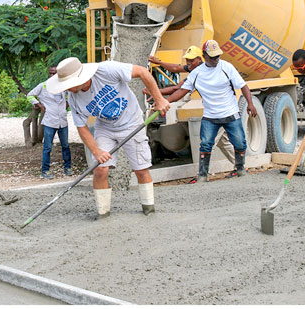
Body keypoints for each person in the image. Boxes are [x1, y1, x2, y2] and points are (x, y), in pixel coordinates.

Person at [46, 56, 169, 218]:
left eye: (69, 85)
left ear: (81, 78)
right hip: (105, 128)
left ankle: (149, 209)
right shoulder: (74, 99)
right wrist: (96, 151)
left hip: (132, 121)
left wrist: (159, 100)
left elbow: (142, 72)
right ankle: (103, 213)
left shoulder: (106, 70)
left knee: (140, 169)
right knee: (100, 170)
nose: (67, 89)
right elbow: (82, 127)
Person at [174, 40, 255, 182]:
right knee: (206, 144)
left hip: (230, 113)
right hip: (210, 116)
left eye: (217, 56)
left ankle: (240, 169)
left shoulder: (227, 67)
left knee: (240, 143)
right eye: (212, 57)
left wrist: (250, 103)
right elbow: (182, 91)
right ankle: (203, 175)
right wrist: (164, 101)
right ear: (204, 56)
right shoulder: (197, 73)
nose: (216, 60)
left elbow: (243, 86)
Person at [27, 66, 73, 179]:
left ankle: (68, 168)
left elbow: (72, 95)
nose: (52, 76)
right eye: (50, 73)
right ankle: (45, 170)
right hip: (49, 122)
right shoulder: (43, 86)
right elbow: (29, 95)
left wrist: (66, 106)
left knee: (65, 145)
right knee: (47, 147)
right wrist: (40, 105)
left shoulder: (63, 85)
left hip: (62, 121)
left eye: (55, 73)